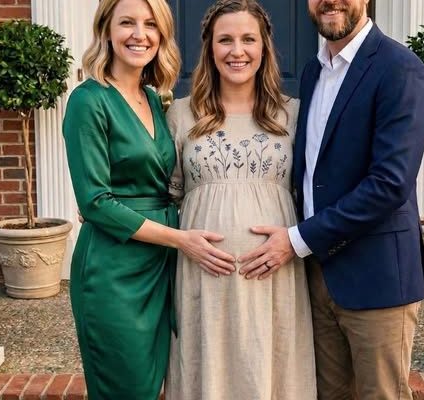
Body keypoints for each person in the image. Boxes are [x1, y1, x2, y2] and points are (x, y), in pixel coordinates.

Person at [239, 0, 424, 398]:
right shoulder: (313, 72)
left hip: (376, 278)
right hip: (318, 276)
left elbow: (390, 183)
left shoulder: (399, 68)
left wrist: (297, 239)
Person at [62, 0, 235, 399]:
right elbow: (95, 202)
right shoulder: (89, 100)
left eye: (150, 24)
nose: (140, 34)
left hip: (160, 266)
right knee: (127, 388)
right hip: (113, 270)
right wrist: (181, 239)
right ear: (106, 30)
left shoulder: (156, 100)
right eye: (127, 23)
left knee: (158, 384)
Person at [164, 1, 316, 399]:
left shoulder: (293, 114)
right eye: (225, 40)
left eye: (248, 39)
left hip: (274, 277)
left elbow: (313, 192)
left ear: (264, 47)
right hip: (203, 278)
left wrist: (294, 242)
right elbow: (167, 195)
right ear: (209, 48)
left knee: (269, 369)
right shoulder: (180, 114)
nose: (237, 51)